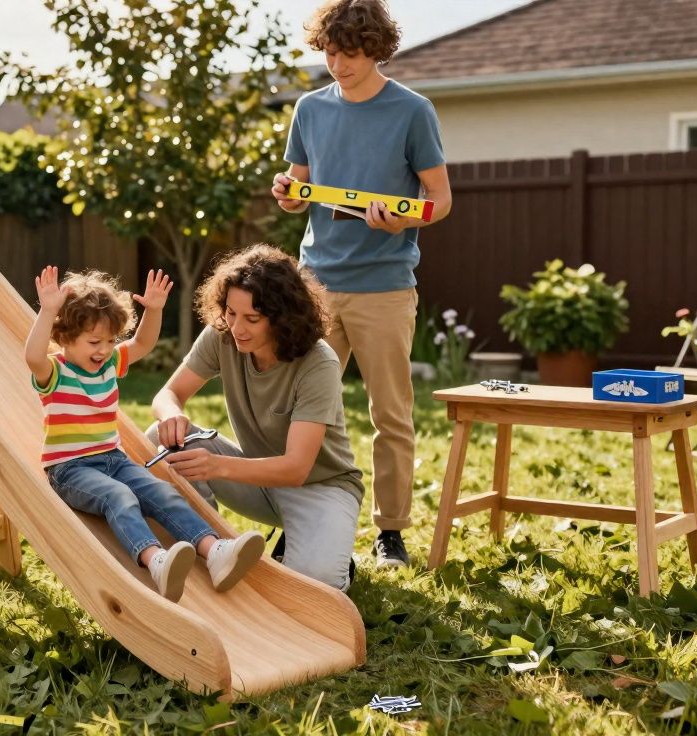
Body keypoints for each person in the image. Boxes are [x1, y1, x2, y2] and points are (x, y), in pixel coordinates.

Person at [270, 0, 453, 567]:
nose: (337, 64)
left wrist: (405, 218)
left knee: (390, 414)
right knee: (299, 411)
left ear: (376, 48)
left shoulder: (412, 111)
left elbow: (440, 200)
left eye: (349, 53)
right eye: (329, 52)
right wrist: (286, 191)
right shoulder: (309, 108)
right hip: (316, 282)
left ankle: (390, 532)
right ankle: (303, 524)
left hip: (384, 285)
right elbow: (299, 186)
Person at [25, 265, 264, 602]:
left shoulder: (109, 364)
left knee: (161, 492)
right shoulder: (55, 372)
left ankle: (214, 553)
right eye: (94, 341)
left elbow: (143, 343)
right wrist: (48, 310)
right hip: (70, 468)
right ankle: (156, 561)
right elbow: (32, 356)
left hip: (114, 459)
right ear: (64, 337)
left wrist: (153, 310)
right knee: (118, 497)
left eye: (110, 341)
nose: (104, 350)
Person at [150, 245, 363, 591]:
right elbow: (167, 395)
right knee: (160, 440)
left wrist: (215, 466)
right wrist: (172, 415)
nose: (237, 328)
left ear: (283, 317)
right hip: (257, 479)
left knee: (317, 584)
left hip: (320, 486)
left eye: (252, 318)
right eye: (231, 313)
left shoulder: (318, 363)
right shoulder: (224, 334)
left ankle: (317, 543)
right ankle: (203, 547)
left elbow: (296, 468)